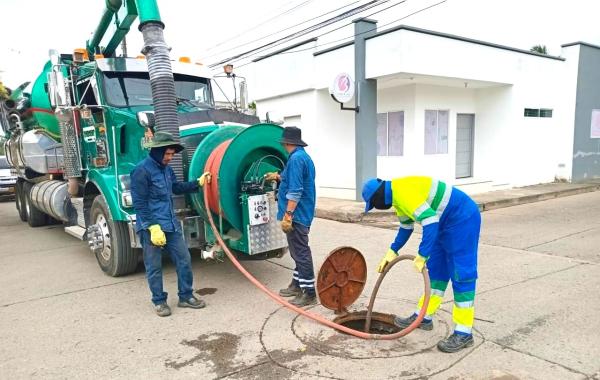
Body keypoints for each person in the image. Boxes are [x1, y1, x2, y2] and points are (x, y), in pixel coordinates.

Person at [362, 176, 481, 353]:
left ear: (378, 196)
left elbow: (430, 221)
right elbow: (406, 228)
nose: (375, 207)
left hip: (462, 219)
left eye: (373, 204)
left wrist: (422, 254)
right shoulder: (397, 199)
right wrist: (392, 251)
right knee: (437, 272)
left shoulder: (403, 192)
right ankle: (424, 316)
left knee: (461, 273)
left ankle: (464, 332)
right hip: (443, 223)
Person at [130, 131, 206, 317]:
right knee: (154, 266)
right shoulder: (141, 171)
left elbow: (175, 188)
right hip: (152, 227)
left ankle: (186, 296)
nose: (169, 158)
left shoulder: (167, 169)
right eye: (167, 154)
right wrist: (152, 226)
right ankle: (159, 301)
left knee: (184, 259)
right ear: (156, 151)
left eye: (172, 154)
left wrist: (197, 183)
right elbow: (139, 203)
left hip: (170, 224)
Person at [265, 126, 317, 307]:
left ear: (286, 142)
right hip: (303, 212)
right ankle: (296, 284)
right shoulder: (301, 157)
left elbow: (295, 190)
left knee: (301, 252)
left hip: (297, 215)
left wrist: (288, 214)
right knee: (296, 251)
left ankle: (309, 292)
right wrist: (278, 176)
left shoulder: (296, 159)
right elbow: (291, 179)